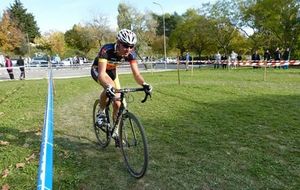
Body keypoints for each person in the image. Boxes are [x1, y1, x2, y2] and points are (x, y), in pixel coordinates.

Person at [91, 29, 152, 146]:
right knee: (111, 88)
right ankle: (101, 112)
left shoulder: (131, 54)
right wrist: (108, 86)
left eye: (131, 46)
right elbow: (102, 73)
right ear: (118, 42)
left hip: (112, 72)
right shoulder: (106, 50)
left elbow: (137, 74)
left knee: (119, 104)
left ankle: (115, 132)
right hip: (99, 71)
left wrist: (144, 84)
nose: (128, 49)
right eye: (125, 45)